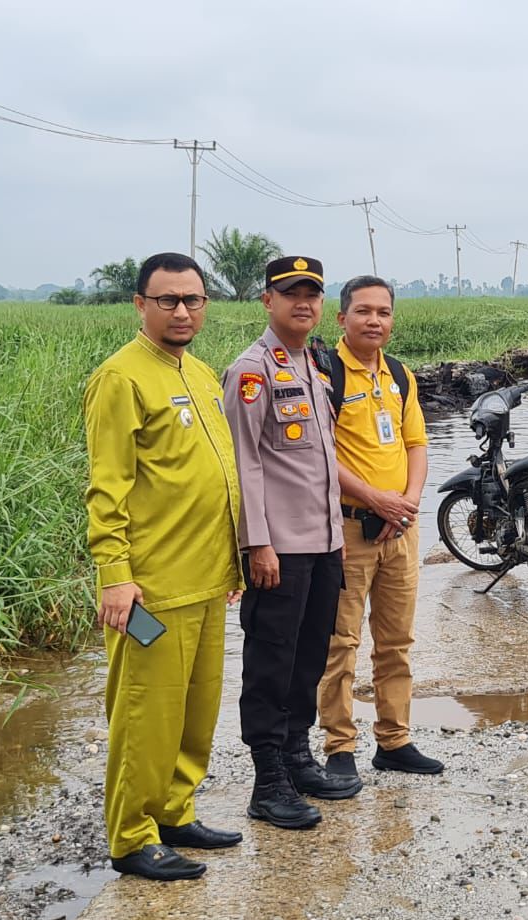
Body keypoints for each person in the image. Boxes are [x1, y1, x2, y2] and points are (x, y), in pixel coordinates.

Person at [83, 252, 243, 881]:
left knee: (196, 710)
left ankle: (175, 811)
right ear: (140, 304)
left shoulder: (200, 374)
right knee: (145, 716)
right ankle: (129, 836)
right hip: (151, 590)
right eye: (169, 300)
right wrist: (115, 575)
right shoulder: (122, 378)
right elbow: (107, 489)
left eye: (194, 300)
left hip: (207, 581)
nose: (182, 311)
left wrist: (232, 563)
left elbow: (217, 477)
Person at [222, 255, 355, 832]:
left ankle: (299, 758)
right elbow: (244, 463)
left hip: (324, 544)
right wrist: (258, 544)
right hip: (279, 549)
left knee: (309, 658)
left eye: (312, 294)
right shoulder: (251, 371)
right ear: (267, 301)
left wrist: (338, 540)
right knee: (271, 661)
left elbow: (321, 461)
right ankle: (267, 778)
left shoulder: (316, 365)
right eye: (290, 293)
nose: (303, 303)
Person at [317, 275, 443, 784]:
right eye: (363, 311)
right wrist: (374, 498)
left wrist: (408, 503)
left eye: (383, 312)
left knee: (396, 641)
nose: (374, 320)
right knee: (340, 642)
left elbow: (416, 444)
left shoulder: (399, 374)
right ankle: (339, 747)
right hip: (349, 530)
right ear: (341, 318)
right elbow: (319, 453)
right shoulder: (325, 374)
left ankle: (394, 740)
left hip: (400, 531)